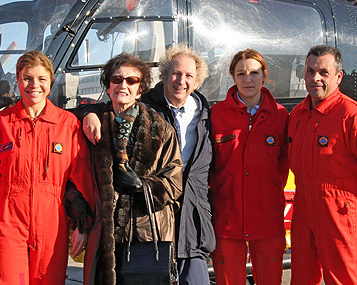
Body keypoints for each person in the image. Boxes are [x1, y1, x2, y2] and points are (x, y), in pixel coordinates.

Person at [81, 45, 214, 284]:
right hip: (103, 235)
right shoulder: (93, 126)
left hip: (148, 233)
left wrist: (142, 186)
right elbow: (76, 176)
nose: (124, 85)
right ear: (108, 85)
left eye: (131, 80)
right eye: (117, 79)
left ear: (140, 89)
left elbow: (174, 181)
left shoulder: (161, 127)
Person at [0, 50, 96, 284]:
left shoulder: (67, 125)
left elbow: (82, 180)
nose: (34, 85)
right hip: (8, 223)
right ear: (18, 81)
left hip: (52, 223)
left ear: (50, 82)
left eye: (41, 79)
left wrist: (83, 224)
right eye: (27, 78)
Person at [209, 49, 288, 284]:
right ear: (232, 76)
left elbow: (284, 163)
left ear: (264, 75)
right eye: (241, 73)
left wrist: (269, 187)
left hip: (268, 215)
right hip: (227, 216)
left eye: (254, 72)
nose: (248, 79)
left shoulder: (281, 116)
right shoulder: (216, 115)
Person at [288, 45, 357, 284]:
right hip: (304, 206)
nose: (315, 78)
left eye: (323, 72)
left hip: (339, 210)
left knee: (342, 277)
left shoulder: (350, 115)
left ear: (338, 76)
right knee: (302, 276)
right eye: (309, 71)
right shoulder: (297, 115)